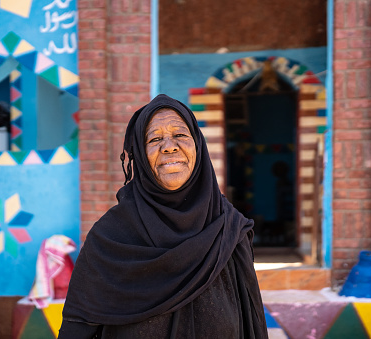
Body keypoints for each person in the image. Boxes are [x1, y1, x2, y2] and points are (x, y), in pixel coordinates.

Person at [58, 94, 268, 338]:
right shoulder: (109, 238)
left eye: (180, 135)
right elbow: (77, 329)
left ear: (198, 147)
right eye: (155, 138)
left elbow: (251, 325)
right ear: (140, 155)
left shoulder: (229, 230)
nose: (169, 146)